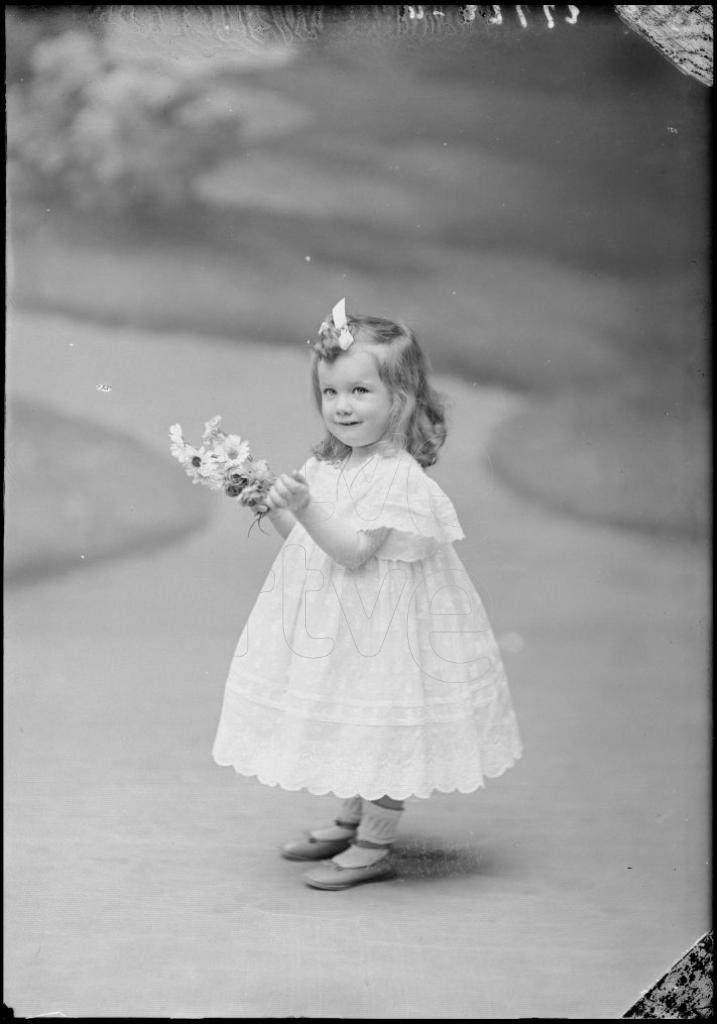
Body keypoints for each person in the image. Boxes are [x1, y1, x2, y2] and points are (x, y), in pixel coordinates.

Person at [212, 298, 522, 890]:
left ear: (400, 400)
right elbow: (305, 545)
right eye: (330, 392)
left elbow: (355, 551)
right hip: (340, 621)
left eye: (359, 392)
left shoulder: (397, 477)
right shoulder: (329, 465)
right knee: (349, 718)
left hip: (386, 626)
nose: (341, 406)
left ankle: (374, 843)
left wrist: (304, 508)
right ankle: (347, 819)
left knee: (378, 722)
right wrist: (275, 508)